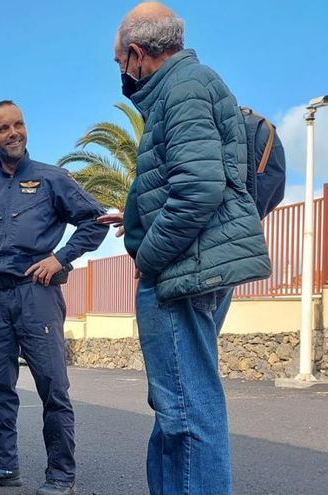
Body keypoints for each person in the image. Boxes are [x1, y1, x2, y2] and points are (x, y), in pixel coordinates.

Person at [101, 3, 271, 493]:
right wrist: (133, 215)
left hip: (181, 275)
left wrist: (149, 256)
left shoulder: (183, 89)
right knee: (177, 406)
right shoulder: (186, 88)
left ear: (137, 54)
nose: (122, 75)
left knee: (188, 411)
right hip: (193, 267)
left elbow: (198, 187)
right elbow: (188, 179)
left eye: (119, 65)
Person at [0, 100, 108, 495]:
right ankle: (4, 466)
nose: (13, 133)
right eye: (3, 128)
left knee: (53, 387)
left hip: (37, 294)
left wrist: (59, 258)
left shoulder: (52, 179)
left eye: (18, 124)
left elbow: (96, 221)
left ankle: (61, 475)